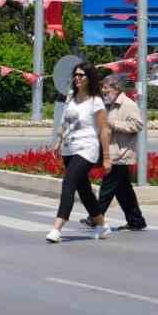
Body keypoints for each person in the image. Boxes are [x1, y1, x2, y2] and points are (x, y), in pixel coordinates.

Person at [46, 62, 111, 244]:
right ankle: (102, 225)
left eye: (81, 75)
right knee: (84, 190)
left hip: (87, 148)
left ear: (89, 78)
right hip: (69, 147)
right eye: (76, 75)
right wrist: (58, 141)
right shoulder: (71, 98)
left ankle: (57, 227)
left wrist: (106, 157)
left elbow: (104, 129)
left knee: (69, 183)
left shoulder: (95, 101)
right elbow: (64, 121)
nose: (77, 78)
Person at [93, 73, 146, 231]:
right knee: (124, 192)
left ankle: (95, 216)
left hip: (121, 153)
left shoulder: (128, 105)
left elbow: (137, 125)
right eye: (102, 89)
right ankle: (136, 220)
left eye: (106, 89)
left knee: (107, 187)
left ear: (116, 89)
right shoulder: (109, 105)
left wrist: (113, 123)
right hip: (112, 151)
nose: (103, 91)